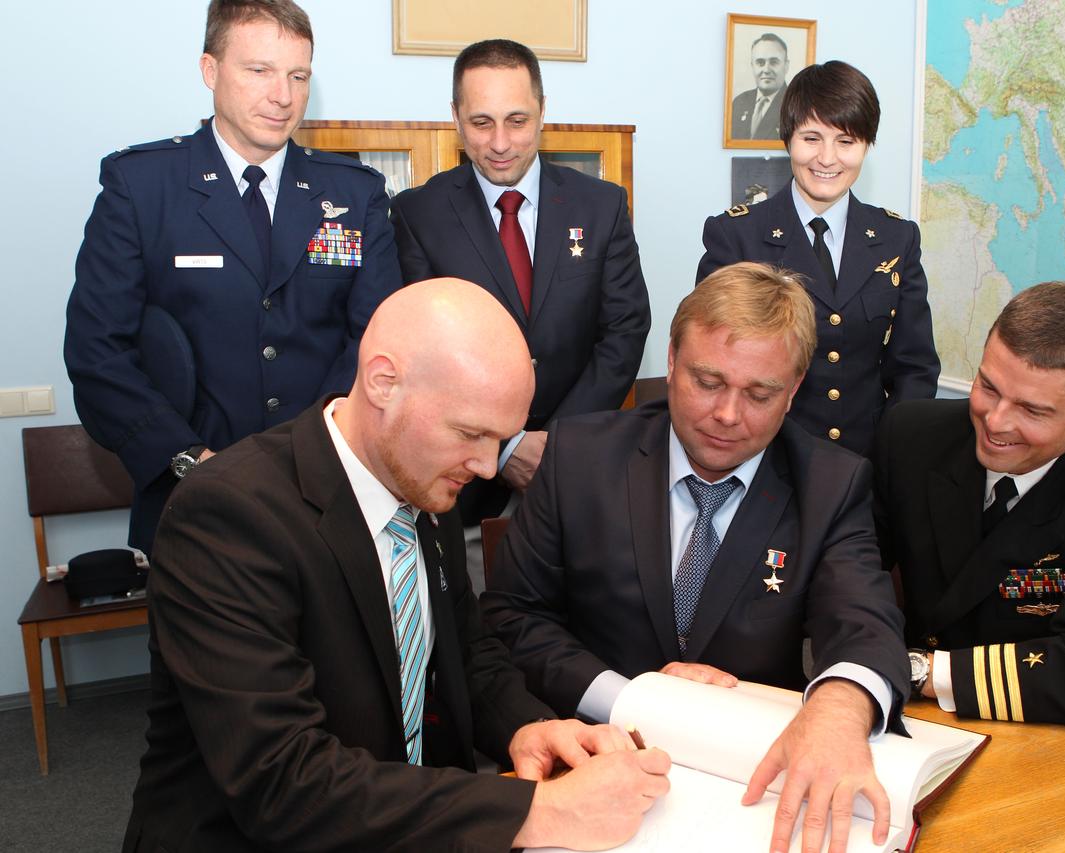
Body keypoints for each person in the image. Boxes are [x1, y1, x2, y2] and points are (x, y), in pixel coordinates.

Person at [122, 279, 671, 851]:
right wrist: (543, 810)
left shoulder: (421, 482)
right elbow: (281, 782)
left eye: (500, 439)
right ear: (384, 383)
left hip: (402, 818)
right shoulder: (229, 515)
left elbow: (466, 655)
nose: (487, 466)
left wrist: (530, 726)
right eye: (470, 433)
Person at [484, 262, 910, 853]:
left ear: (794, 389)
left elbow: (864, 622)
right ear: (672, 358)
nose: (728, 415)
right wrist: (635, 698)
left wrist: (840, 709)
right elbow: (512, 618)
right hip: (584, 762)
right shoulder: (579, 456)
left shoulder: (830, 485)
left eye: (760, 394)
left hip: (745, 786)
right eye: (707, 382)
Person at [63, 0, 400, 557]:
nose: (283, 95)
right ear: (210, 71)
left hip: (326, 493)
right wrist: (190, 461)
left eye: (298, 76)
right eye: (259, 70)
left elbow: (377, 338)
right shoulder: (142, 187)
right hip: (188, 499)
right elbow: (97, 353)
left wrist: (313, 454)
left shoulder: (353, 194)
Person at [873, 281, 1065, 728]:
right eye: (988, 387)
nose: (996, 422)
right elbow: (847, 571)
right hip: (901, 714)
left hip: (1033, 729)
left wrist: (919, 670)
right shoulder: (910, 436)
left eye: (1032, 411)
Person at [390, 38, 650, 526]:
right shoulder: (418, 214)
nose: (501, 143)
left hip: (581, 468)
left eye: (517, 120)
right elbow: (419, 355)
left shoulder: (601, 205)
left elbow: (625, 330)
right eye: (481, 122)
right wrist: (505, 446)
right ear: (455, 116)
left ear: (543, 111)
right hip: (464, 480)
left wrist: (558, 442)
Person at [700, 60, 939, 457]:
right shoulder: (736, 237)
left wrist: (894, 455)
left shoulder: (898, 239)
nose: (827, 158)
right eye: (811, 138)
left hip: (866, 464)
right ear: (788, 140)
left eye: (846, 141)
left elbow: (914, 368)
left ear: (867, 147)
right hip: (767, 461)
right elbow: (716, 364)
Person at [729, 32, 790, 140]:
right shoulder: (739, 102)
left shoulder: (795, 104)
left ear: (786, 66)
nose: (766, 70)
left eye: (774, 62)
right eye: (760, 63)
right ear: (752, 66)